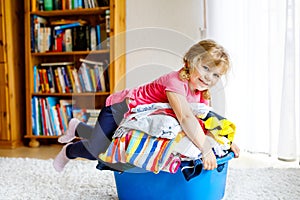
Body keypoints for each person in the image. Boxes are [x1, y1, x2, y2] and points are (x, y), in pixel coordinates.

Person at [53, 39, 240, 172]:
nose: (209, 77)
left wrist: (224, 143)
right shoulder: (175, 82)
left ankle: (76, 126)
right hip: (120, 109)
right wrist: (206, 149)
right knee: (98, 149)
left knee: (104, 139)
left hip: (139, 119)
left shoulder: (201, 93)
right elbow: (185, 118)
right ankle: (68, 151)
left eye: (216, 75)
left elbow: (204, 122)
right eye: (205, 68)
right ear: (190, 62)